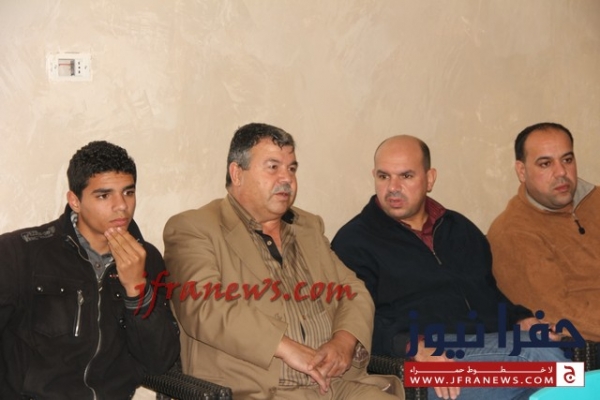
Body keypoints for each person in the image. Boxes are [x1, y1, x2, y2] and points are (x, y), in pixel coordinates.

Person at [163, 123, 403, 400]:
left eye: (292, 168)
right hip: (259, 391)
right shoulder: (195, 228)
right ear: (237, 173)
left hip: (337, 385)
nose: (286, 179)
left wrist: (344, 340)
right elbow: (203, 307)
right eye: (273, 167)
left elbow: (353, 290)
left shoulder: (307, 226)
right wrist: (285, 347)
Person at [331, 135, 568, 400]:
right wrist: (413, 346)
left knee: (540, 370)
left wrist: (520, 319)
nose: (393, 187)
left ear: (430, 178)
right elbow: (354, 319)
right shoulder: (355, 242)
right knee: (536, 357)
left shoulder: (459, 229)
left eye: (406, 176)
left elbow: (487, 293)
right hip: (422, 364)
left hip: (485, 347)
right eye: (384, 176)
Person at [0, 141, 180, 399]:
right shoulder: (20, 252)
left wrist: (137, 288)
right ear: (75, 201)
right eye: (104, 195)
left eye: (128, 192)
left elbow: (160, 361)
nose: (121, 205)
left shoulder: (146, 258)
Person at [488, 122, 600, 343]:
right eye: (545, 164)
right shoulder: (512, 233)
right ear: (522, 171)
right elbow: (556, 311)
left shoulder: (595, 200)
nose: (561, 172)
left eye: (567, 160)